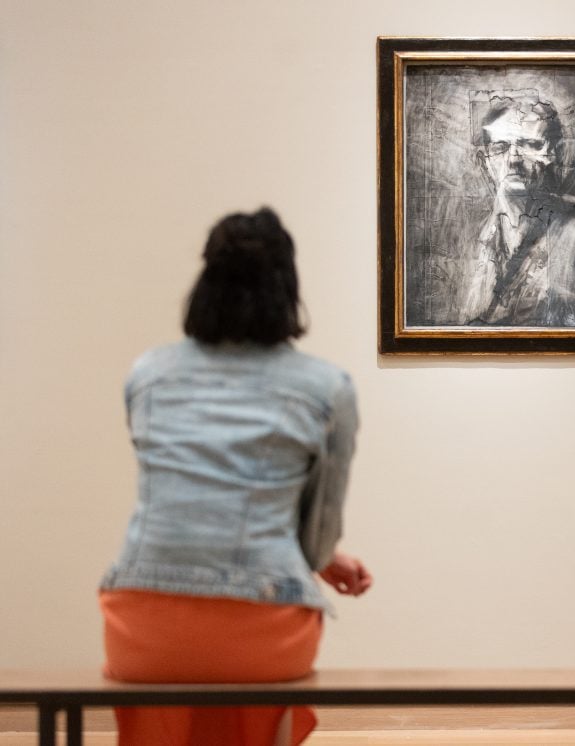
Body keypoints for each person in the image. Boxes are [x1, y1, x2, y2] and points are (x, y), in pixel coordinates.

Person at [98, 207, 372, 746]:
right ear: (288, 287)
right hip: (260, 623)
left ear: (205, 280)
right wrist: (322, 559)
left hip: (144, 624)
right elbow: (316, 537)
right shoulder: (325, 387)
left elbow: (194, 487)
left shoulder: (148, 374)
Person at [458, 91, 575, 327]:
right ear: (486, 161)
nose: (513, 158)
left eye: (528, 144)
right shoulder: (482, 233)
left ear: (551, 153)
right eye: (500, 147)